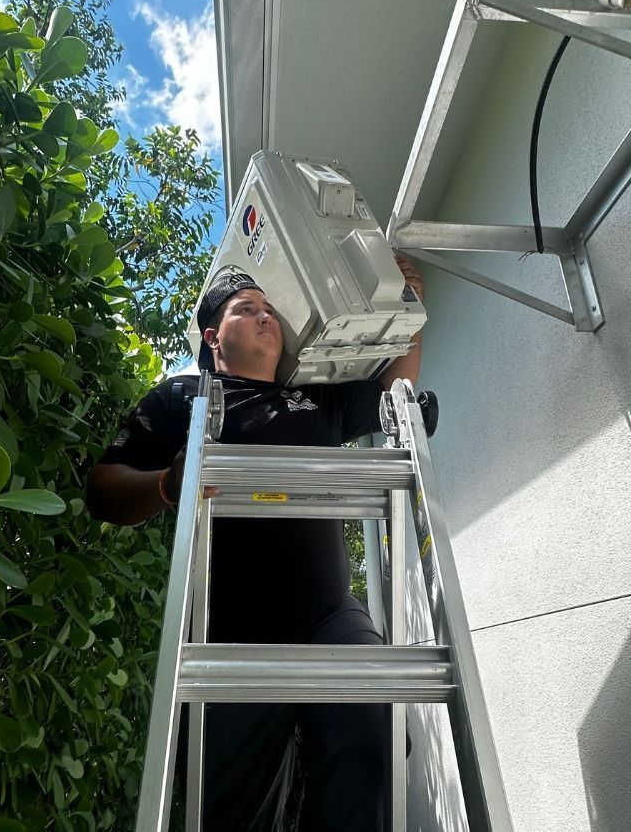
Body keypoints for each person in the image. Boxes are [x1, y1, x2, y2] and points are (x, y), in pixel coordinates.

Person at [87, 257, 424, 832]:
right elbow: (103, 489)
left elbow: (395, 394)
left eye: (269, 309)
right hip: (229, 629)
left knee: (376, 735)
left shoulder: (314, 397)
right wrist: (167, 484)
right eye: (247, 310)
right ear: (213, 337)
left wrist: (409, 306)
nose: (266, 317)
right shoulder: (182, 398)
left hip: (329, 614)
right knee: (233, 810)